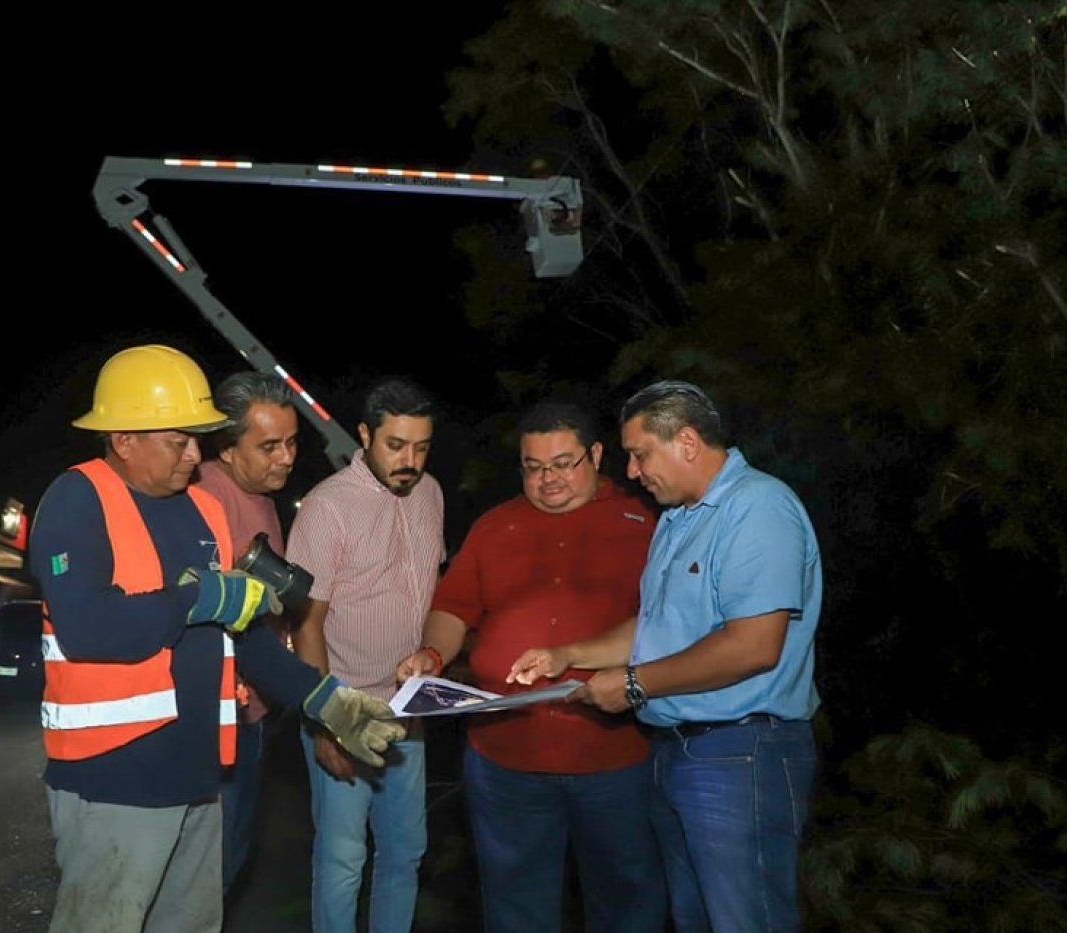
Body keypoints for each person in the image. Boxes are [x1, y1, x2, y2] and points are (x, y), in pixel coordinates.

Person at [28, 344, 406, 933]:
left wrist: (326, 699)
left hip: (199, 776)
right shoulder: (78, 499)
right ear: (125, 438)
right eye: (179, 440)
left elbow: (245, 639)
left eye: (197, 440)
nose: (195, 455)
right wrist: (197, 596)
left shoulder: (202, 509)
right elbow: (87, 629)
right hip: (113, 782)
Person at [508, 380, 823, 933]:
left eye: (638, 454)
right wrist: (568, 654)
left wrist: (633, 685)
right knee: (695, 919)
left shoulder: (758, 508)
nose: (632, 472)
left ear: (686, 442)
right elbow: (655, 626)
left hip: (741, 751)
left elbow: (754, 645)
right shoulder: (679, 519)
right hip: (677, 755)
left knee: (746, 920)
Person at [396, 399, 668, 933]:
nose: (549, 480)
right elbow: (454, 607)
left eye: (564, 463)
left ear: (595, 455)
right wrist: (430, 654)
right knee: (515, 905)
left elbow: (668, 623)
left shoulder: (644, 524)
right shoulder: (496, 526)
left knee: (626, 901)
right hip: (505, 759)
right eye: (534, 467)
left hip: (614, 758)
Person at [285, 376, 446, 933]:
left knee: (405, 853)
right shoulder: (327, 509)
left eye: (422, 447)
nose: (410, 461)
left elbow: (428, 593)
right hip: (344, 701)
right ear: (364, 435)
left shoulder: (431, 493)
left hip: (410, 706)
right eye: (396, 445)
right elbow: (307, 624)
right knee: (342, 860)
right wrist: (329, 722)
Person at [190, 369, 300, 897]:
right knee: (204, 875)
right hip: (216, 721)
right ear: (228, 449)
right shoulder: (205, 497)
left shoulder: (263, 496)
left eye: (292, 441)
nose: (287, 457)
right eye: (270, 446)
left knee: (229, 862)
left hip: (252, 712)